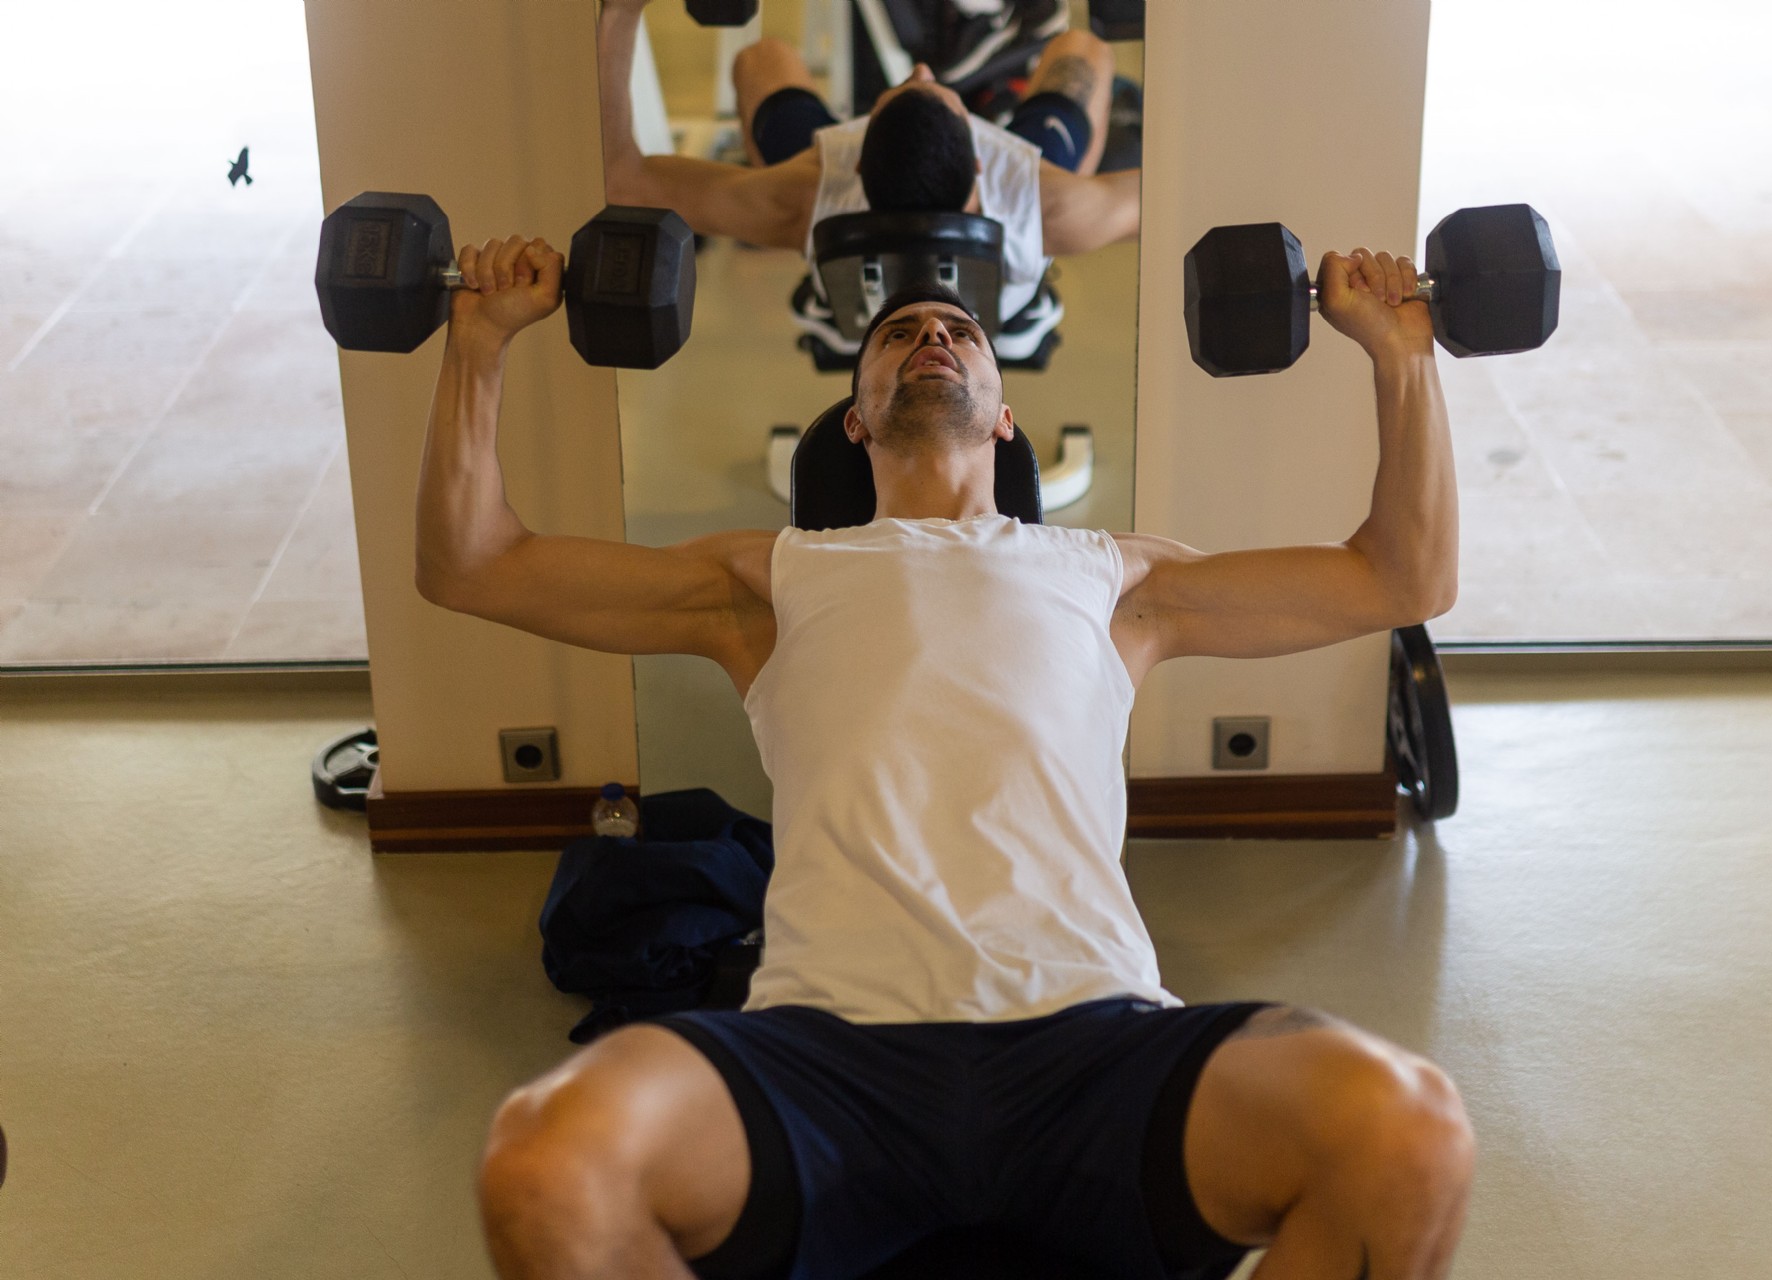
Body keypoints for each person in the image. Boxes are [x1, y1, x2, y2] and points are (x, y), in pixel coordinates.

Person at [418, 230, 1472, 1279]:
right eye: (899, 333)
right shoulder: (769, 580)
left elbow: (1402, 578)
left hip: (1093, 1037)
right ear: (856, 417)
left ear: (1005, 415)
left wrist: (1401, 352)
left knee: (1406, 1130)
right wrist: (478, 339)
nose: (933, 334)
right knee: (545, 1160)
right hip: (825, 1049)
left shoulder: (1116, 580)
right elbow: (472, 562)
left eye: (961, 330)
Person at [594, 1, 1139, 357]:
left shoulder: (803, 192)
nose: (923, 70)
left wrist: (621, 12)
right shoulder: (1048, 202)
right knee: (1082, 49)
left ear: (854, 157)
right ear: (979, 159)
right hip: (1011, 280)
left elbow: (622, 180)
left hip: (837, 251)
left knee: (762, 59)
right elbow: (1174, 200)